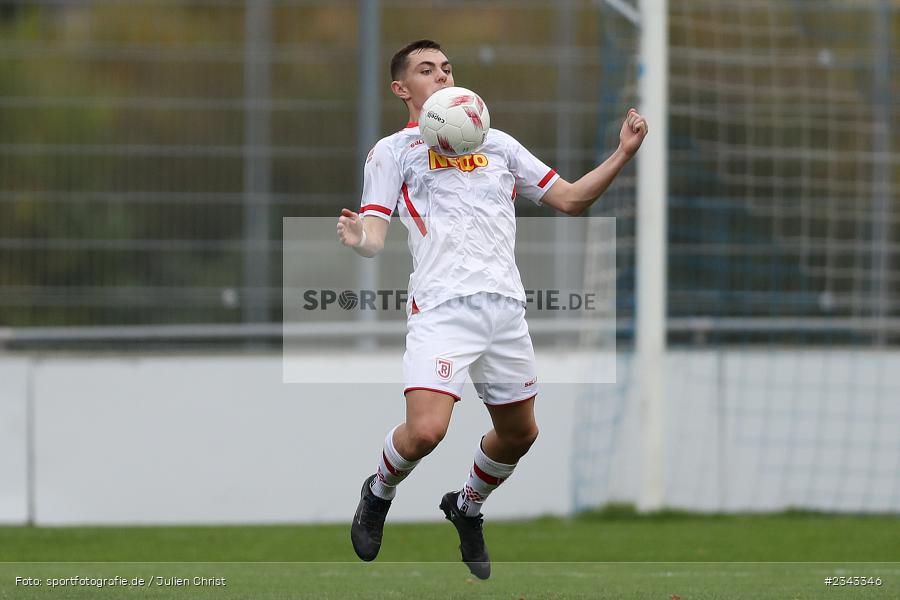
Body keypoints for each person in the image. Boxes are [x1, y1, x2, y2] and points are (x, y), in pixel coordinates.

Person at [337, 39, 647, 580]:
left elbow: (572, 200)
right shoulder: (393, 151)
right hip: (441, 309)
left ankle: (467, 506)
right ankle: (379, 490)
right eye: (426, 70)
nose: (441, 75)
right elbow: (374, 237)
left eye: (446, 68)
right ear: (401, 89)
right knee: (427, 431)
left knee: (520, 435)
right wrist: (356, 234)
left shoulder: (498, 144)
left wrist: (622, 153)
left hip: (504, 310)